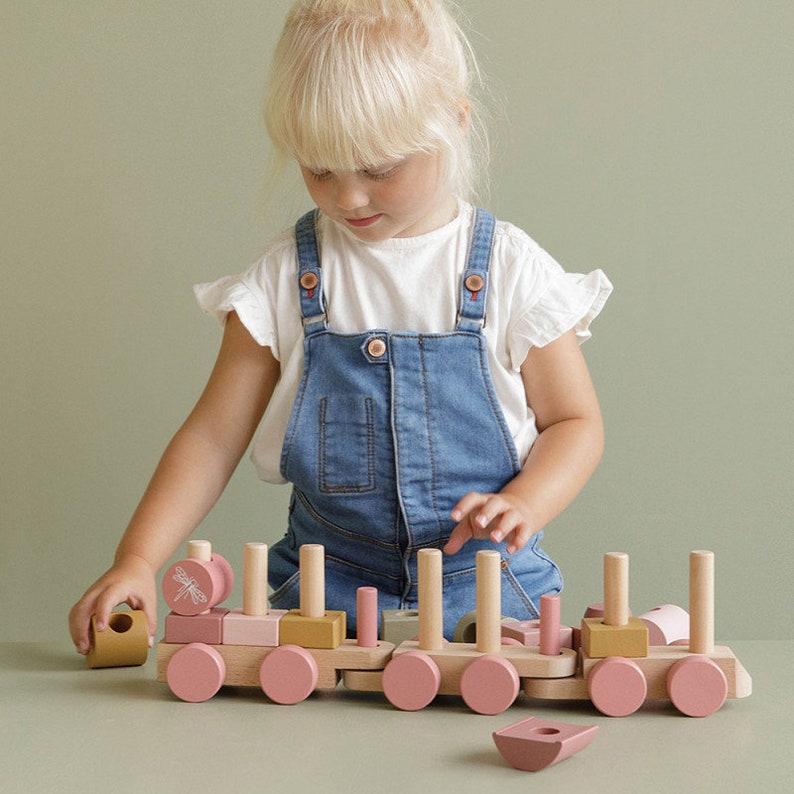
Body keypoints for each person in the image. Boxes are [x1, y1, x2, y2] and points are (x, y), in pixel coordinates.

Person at [69, 0, 612, 651]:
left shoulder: (510, 270)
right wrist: (138, 558)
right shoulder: (285, 276)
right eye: (319, 168)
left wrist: (528, 501)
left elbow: (575, 424)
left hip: (489, 587)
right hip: (320, 593)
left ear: (455, 124)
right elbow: (213, 438)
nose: (348, 197)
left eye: (379, 168)